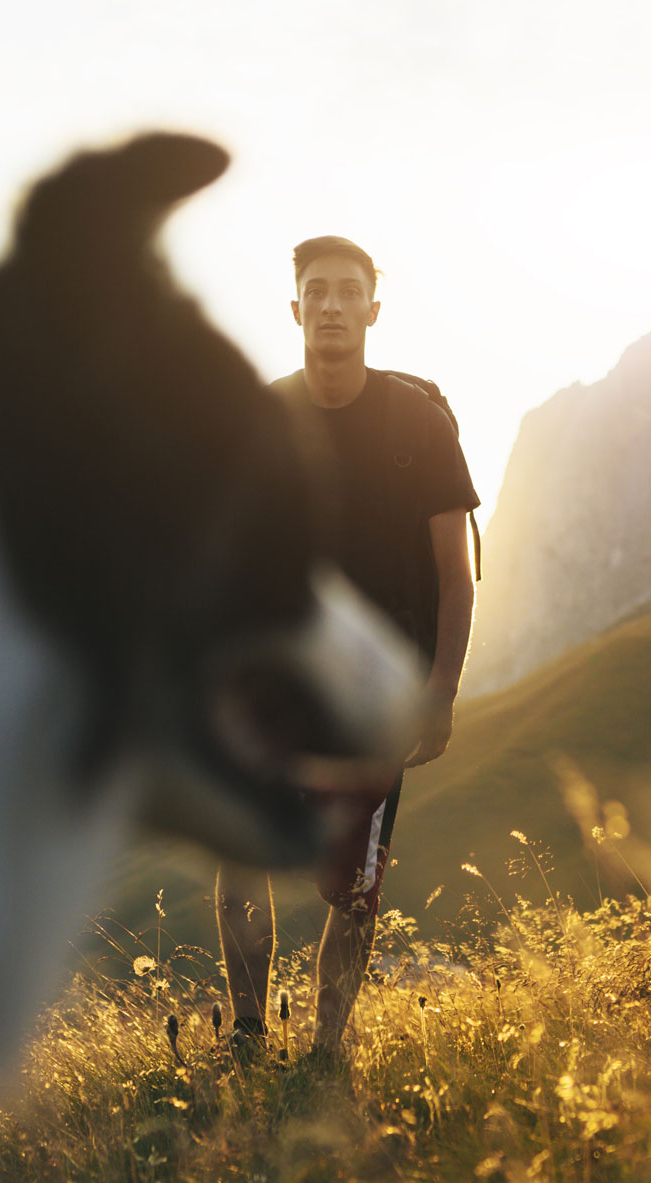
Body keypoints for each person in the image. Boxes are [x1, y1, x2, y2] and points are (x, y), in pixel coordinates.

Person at [216, 236, 479, 1057]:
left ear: (372, 308)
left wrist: (440, 692)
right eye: (316, 292)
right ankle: (251, 1036)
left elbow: (455, 575)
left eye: (347, 292)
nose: (331, 305)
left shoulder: (419, 425)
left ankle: (327, 1052)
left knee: (354, 889)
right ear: (296, 310)